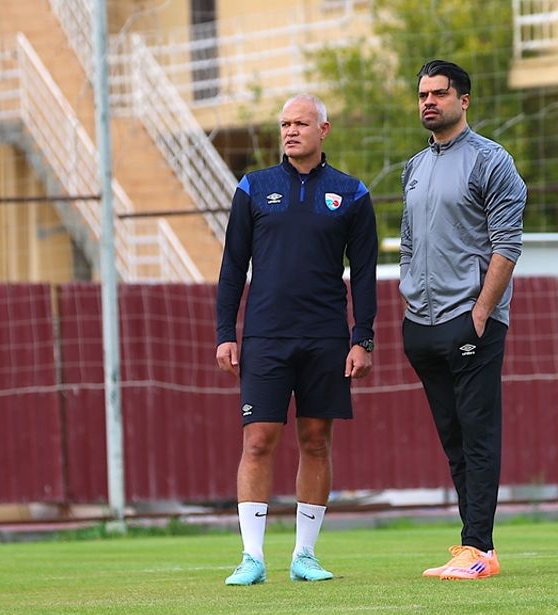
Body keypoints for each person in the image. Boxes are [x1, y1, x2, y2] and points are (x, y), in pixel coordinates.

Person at [215, 94, 378, 585]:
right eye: (285, 124)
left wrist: (363, 338)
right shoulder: (253, 187)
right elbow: (232, 266)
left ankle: (304, 555)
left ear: (323, 130)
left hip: (326, 336)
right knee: (258, 440)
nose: (290, 131)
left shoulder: (351, 193)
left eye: (300, 123)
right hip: (265, 336)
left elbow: (364, 273)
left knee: (316, 440)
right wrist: (225, 333)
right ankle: (252, 557)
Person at [399, 60, 526, 580]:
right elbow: (409, 244)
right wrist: (409, 298)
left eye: (439, 93)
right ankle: (470, 544)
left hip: (471, 320)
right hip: (421, 323)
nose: (428, 102)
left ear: (464, 100)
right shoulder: (413, 167)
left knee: (477, 435)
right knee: (453, 439)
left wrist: (480, 312)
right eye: (422, 95)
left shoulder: (492, 161)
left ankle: (480, 549)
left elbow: (507, 244)